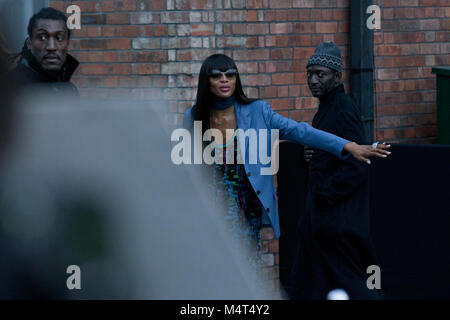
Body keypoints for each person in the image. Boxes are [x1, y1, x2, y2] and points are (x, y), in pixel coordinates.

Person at [183, 54, 390, 255]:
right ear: (206, 80)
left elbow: (301, 131)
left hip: (244, 207)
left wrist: (347, 146)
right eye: (216, 75)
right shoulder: (193, 117)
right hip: (208, 206)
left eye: (230, 74)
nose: (224, 80)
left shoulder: (257, 111)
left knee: (241, 265)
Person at [289, 42, 383, 300]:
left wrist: (323, 196)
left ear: (337, 76)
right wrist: (307, 155)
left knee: (352, 286)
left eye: (321, 74)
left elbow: (357, 165)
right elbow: (328, 155)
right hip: (321, 225)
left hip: (336, 225)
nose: (313, 80)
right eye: (310, 74)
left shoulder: (342, 108)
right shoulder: (325, 110)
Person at [9, 7, 79, 98]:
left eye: (59, 38)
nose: (51, 47)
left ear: (68, 44)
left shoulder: (70, 89)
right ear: (29, 43)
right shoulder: (11, 87)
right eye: (42, 37)